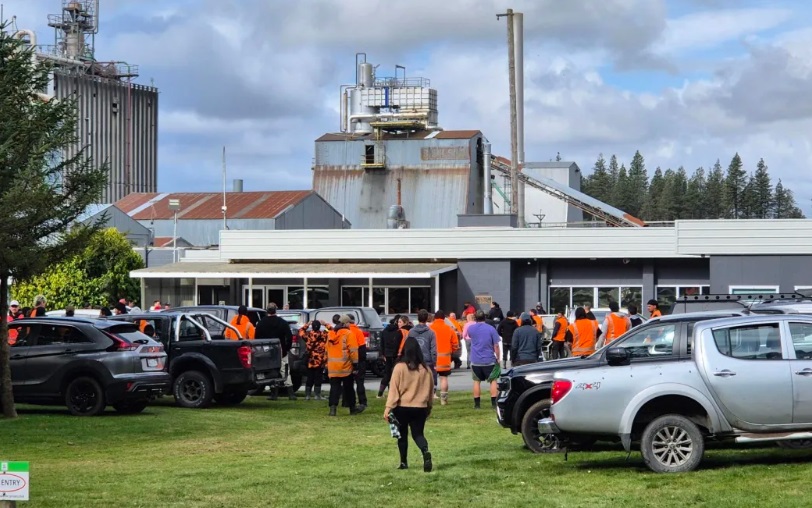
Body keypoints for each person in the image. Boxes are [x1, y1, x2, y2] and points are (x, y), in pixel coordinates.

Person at [383, 336, 434, 472]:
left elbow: (393, 390)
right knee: (418, 434)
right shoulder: (426, 369)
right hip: (420, 407)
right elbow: (430, 390)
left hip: (402, 408)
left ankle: (404, 462)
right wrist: (429, 406)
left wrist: (388, 408)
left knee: (402, 435)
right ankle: (425, 451)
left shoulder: (399, 368)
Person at [255, 303, 296, 400]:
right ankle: (291, 393)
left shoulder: (261, 323)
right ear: (276, 310)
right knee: (285, 370)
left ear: (267, 311)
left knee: (270, 371)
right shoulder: (282, 322)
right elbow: (289, 337)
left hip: (267, 351)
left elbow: (257, 338)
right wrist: (287, 348)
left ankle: (273, 393)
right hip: (281, 349)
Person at [326, 314, 364, 416]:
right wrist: (355, 364)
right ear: (346, 323)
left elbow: (326, 350)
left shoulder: (330, 334)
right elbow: (353, 350)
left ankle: (332, 409)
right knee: (349, 388)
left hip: (333, 366)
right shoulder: (348, 333)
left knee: (334, 388)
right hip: (345, 366)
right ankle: (352, 408)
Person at [467, 310, 501, 409]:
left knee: (476, 381)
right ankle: (494, 403)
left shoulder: (471, 328)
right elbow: (496, 345)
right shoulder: (491, 329)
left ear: (475, 318)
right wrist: (498, 358)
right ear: (484, 318)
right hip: (489, 359)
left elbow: (470, 337)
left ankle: (477, 404)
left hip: (475, 359)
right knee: (493, 381)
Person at [429, 310, 459, 405]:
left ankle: (430, 398)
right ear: (444, 318)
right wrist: (451, 352)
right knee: (444, 378)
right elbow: (455, 344)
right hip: (445, 359)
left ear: (435, 318)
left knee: (430, 378)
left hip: (431, 359)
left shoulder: (430, 328)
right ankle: (443, 399)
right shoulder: (449, 329)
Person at [407, 309, 437, 398]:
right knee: (427, 380)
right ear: (427, 318)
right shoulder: (431, 333)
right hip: (427, 360)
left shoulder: (411, 332)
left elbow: (408, 347)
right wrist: (434, 361)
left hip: (414, 360)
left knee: (415, 380)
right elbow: (433, 349)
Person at [300, 320, 328, 401]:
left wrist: (307, 324)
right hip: (320, 360)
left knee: (310, 377)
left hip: (310, 360)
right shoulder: (323, 335)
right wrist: (325, 323)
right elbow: (332, 330)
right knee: (318, 377)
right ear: (320, 327)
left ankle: (307, 395)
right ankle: (317, 395)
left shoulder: (308, 335)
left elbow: (301, 331)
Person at [378, 315, 403, 398]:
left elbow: (381, 344)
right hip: (396, 354)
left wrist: (383, 354)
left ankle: (380, 393)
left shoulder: (385, 331)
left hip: (387, 354)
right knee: (395, 374)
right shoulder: (399, 331)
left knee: (387, 374)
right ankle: (392, 392)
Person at [347, 314, 368, 410]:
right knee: (360, 382)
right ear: (354, 321)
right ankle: (362, 401)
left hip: (347, 360)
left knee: (348, 382)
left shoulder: (345, 332)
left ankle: (348, 401)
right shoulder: (358, 332)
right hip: (359, 359)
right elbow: (362, 348)